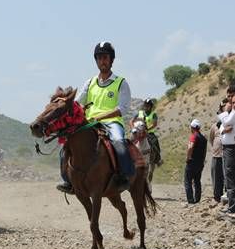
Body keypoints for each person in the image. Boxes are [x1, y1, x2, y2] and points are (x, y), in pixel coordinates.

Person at [58, 42, 133, 194]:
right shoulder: (90, 82)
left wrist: (100, 116)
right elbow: (78, 103)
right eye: (99, 58)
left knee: (118, 142)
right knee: (65, 146)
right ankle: (68, 180)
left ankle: (124, 176)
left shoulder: (121, 83)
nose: (102, 61)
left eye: (105, 57)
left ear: (111, 60)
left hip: (112, 122)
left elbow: (122, 109)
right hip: (89, 124)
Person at [220, 94, 235, 215]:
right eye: (233, 103)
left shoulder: (234, 113)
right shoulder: (233, 113)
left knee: (232, 177)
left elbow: (226, 122)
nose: (234, 105)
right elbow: (223, 128)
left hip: (233, 148)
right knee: (229, 177)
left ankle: (233, 207)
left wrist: (225, 111)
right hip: (228, 147)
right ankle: (232, 205)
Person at [133, 98, 162, 166]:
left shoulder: (153, 114)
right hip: (138, 132)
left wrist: (147, 129)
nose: (146, 107)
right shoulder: (139, 113)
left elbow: (154, 124)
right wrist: (133, 128)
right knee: (130, 142)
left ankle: (158, 159)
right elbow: (132, 120)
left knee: (155, 143)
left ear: (151, 106)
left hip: (149, 133)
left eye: (148, 106)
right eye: (145, 105)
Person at [185, 119, 207, 204]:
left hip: (192, 162)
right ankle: (197, 199)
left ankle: (190, 200)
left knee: (188, 181)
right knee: (197, 181)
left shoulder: (193, 136)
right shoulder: (204, 138)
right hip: (200, 163)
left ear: (192, 127)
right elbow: (205, 151)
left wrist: (188, 157)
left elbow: (190, 147)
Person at [131, 121, 152, 189]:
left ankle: (158, 159)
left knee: (154, 143)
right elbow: (133, 137)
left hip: (148, 132)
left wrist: (145, 130)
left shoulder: (149, 116)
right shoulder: (135, 126)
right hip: (137, 145)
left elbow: (144, 134)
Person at [209, 120, 224, 203]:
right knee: (216, 176)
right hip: (216, 155)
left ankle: (225, 196)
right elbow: (211, 139)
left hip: (226, 155)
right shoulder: (214, 126)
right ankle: (216, 196)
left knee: (225, 177)